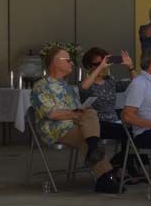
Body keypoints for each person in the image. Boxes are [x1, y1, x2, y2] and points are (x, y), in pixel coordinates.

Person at [34, 48, 118, 192]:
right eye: (68, 60)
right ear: (56, 63)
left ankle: (100, 164)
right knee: (87, 135)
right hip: (56, 128)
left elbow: (78, 110)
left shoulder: (67, 87)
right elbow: (52, 115)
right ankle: (107, 176)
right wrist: (76, 113)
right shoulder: (41, 86)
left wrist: (81, 111)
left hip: (74, 124)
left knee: (90, 113)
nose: (72, 63)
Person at [79, 47, 137, 150]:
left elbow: (136, 85)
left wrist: (130, 67)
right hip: (96, 125)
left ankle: (126, 158)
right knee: (128, 132)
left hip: (114, 121)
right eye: (98, 64)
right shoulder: (86, 84)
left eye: (105, 63)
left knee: (136, 129)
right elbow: (83, 88)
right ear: (88, 66)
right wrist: (100, 68)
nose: (103, 67)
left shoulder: (110, 81)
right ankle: (125, 158)